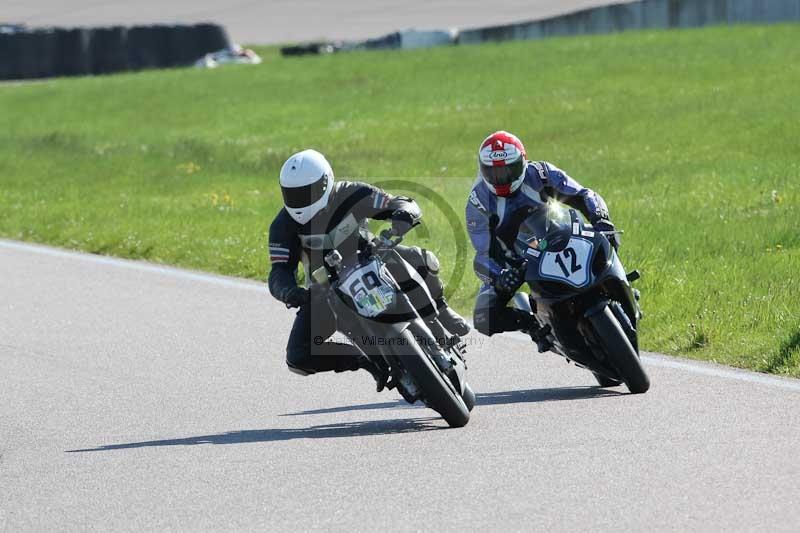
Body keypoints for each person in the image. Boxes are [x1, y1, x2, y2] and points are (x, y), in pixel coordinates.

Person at [268, 149, 469, 389]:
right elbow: (279, 271)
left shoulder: (352, 193)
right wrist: (290, 292)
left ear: (325, 183)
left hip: (371, 258)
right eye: (292, 195)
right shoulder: (282, 226)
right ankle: (366, 360)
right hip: (325, 291)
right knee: (297, 358)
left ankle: (441, 312)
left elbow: (398, 202)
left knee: (423, 260)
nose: (299, 201)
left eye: (305, 193)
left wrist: (402, 216)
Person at [465, 131, 618, 349]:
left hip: (559, 233)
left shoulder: (541, 173)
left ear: (523, 162)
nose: (502, 177)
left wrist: (602, 221)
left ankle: (619, 284)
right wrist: (500, 276)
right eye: (494, 172)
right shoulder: (477, 201)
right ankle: (534, 326)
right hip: (517, 261)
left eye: (509, 169)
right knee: (483, 318)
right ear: (482, 169)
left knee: (605, 237)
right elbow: (481, 256)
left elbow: (584, 195)